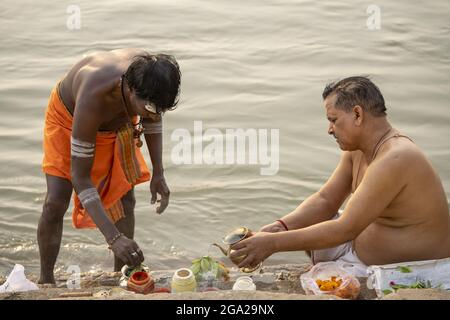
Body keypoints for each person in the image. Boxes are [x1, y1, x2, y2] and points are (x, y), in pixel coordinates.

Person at [230, 76, 450, 274]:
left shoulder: (396, 157)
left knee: (321, 235)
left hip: (412, 269)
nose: (329, 129)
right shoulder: (359, 148)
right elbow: (326, 199)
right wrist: (281, 227)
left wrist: (273, 243)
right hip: (357, 247)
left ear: (357, 114)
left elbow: (346, 228)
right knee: (311, 223)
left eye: (333, 120)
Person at [38, 48, 181, 284]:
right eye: (153, 109)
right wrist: (114, 238)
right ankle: (45, 280)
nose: (156, 115)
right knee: (55, 201)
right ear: (130, 89)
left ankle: (121, 277)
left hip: (120, 122)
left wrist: (159, 172)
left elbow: (153, 116)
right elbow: (80, 177)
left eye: (162, 109)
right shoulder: (95, 93)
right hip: (70, 120)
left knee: (125, 199)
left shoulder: (149, 86)